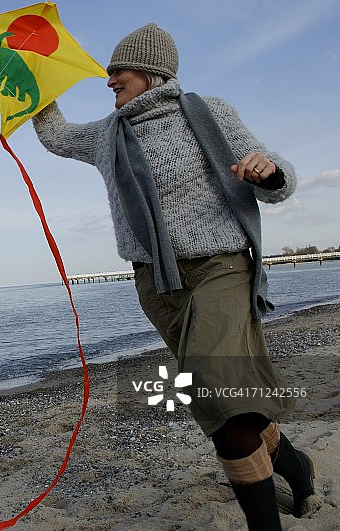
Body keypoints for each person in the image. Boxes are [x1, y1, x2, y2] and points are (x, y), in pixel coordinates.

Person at [32, 23, 318, 530]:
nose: (109, 80)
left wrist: (268, 172)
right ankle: (295, 464)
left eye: (118, 70)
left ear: (152, 71)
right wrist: (29, 76)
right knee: (227, 397)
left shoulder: (207, 113)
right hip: (156, 284)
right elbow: (56, 136)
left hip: (219, 268)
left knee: (215, 392)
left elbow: (279, 178)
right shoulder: (106, 133)